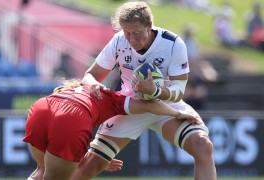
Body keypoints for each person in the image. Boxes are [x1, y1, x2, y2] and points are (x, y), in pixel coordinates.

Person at [72, 1, 217, 179]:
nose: (131, 39)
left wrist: (155, 91)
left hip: (165, 105)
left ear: (149, 26)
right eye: (127, 33)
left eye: (136, 33)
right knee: (90, 165)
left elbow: (179, 90)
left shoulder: (172, 43)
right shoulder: (119, 40)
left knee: (203, 146)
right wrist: (93, 84)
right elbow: (90, 75)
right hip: (130, 106)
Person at [22, 78, 200, 180]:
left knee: (42, 170)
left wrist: (85, 156)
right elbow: (149, 105)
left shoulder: (68, 90)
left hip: (42, 107)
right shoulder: (110, 96)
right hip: (73, 116)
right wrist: (176, 113)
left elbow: (59, 132)